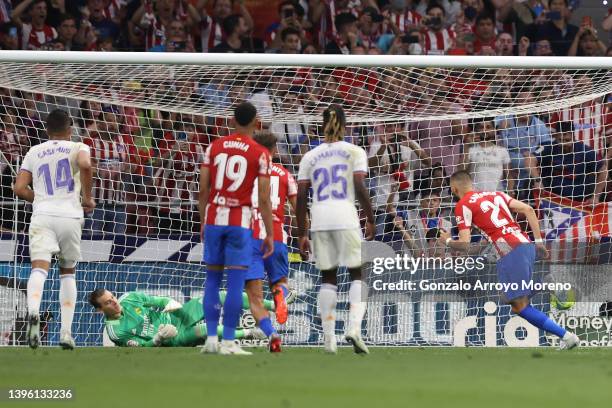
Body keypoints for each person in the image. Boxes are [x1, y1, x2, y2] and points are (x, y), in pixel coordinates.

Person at [439, 170, 579, 350]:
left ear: (453, 188)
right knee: (508, 298)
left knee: (520, 307)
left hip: (510, 252)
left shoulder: (463, 205)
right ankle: (545, 284)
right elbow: (528, 209)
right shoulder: (495, 194)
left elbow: (465, 243)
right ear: (471, 184)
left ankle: (567, 336)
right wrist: (539, 243)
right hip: (524, 245)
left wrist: (447, 241)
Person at [12, 109, 95, 349]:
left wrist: (38, 199)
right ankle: (66, 333)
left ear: (47, 130)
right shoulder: (78, 147)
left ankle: (34, 312)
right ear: (70, 129)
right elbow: (85, 165)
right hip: (69, 215)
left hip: (43, 215)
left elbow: (18, 188)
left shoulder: (34, 151)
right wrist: (87, 198)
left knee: (39, 269)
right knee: (67, 272)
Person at [296, 104, 375, 354]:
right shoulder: (354, 151)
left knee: (328, 279)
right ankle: (353, 328)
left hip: (319, 219)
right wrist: (370, 217)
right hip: (346, 216)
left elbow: (300, 197)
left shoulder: (310, 156)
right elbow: (359, 185)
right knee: (357, 274)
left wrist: (301, 233)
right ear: (345, 123)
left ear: (322, 124)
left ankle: (328, 340)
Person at [198, 102, 274, 356]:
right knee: (235, 283)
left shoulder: (214, 147)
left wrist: (203, 221)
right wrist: (269, 233)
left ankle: (211, 339)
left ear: (232, 120)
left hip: (213, 219)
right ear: (256, 121)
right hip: (239, 222)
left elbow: (203, 190)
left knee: (211, 279)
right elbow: (264, 199)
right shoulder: (260, 153)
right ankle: (228, 341)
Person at [245, 131, 300, 352]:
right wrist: (304, 235)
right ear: (274, 150)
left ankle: (272, 334)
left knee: (255, 298)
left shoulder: (246, 174)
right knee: (280, 283)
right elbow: (299, 211)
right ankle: (281, 295)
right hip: (276, 236)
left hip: (249, 238)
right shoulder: (286, 174)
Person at [89, 289, 273, 347]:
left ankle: (273, 304)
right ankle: (250, 333)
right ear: (100, 310)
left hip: (175, 316)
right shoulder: (116, 332)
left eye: (112, 297)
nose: (114, 302)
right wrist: (158, 338)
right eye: (107, 303)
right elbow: (141, 348)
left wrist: (168, 302)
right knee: (207, 329)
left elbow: (156, 300)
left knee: (219, 295)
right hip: (173, 338)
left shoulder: (129, 299)